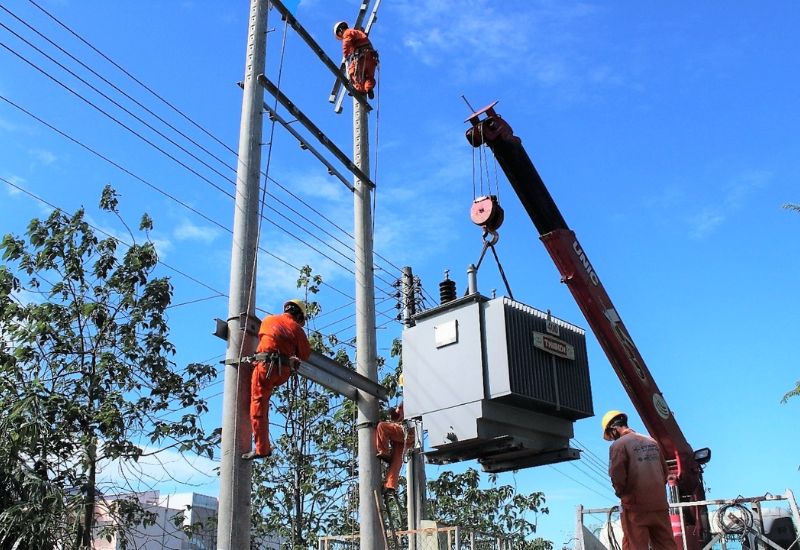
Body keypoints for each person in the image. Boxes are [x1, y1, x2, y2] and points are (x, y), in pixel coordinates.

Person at [243, 299, 311, 460]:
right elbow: (305, 354)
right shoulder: (296, 329)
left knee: (258, 405)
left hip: (265, 368)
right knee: (262, 401)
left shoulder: (268, 320)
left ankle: (262, 448)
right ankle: (262, 447)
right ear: (299, 316)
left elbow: (267, 340)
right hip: (281, 371)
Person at [602, 410, 675, 550]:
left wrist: (621, 493)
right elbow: (665, 473)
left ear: (613, 429)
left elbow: (617, 476)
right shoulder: (651, 441)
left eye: (610, 435)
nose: (612, 439)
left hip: (635, 507)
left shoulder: (618, 446)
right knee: (667, 545)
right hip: (659, 505)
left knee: (635, 546)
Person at [375, 401, 415, 494]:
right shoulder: (411, 407)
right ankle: (390, 484)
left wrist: (392, 412)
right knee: (397, 460)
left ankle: (384, 451)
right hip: (408, 437)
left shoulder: (404, 405)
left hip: (406, 432)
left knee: (382, 426)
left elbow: (398, 415)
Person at [333, 20, 378, 99]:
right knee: (369, 76)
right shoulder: (358, 33)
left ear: (340, 30)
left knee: (353, 72)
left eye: (340, 34)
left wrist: (346, 54)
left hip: (361, 56)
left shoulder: (347, 32)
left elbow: (346, 43)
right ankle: (368, 88)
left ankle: (359, 90)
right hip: (371, 57)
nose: (341, 37)